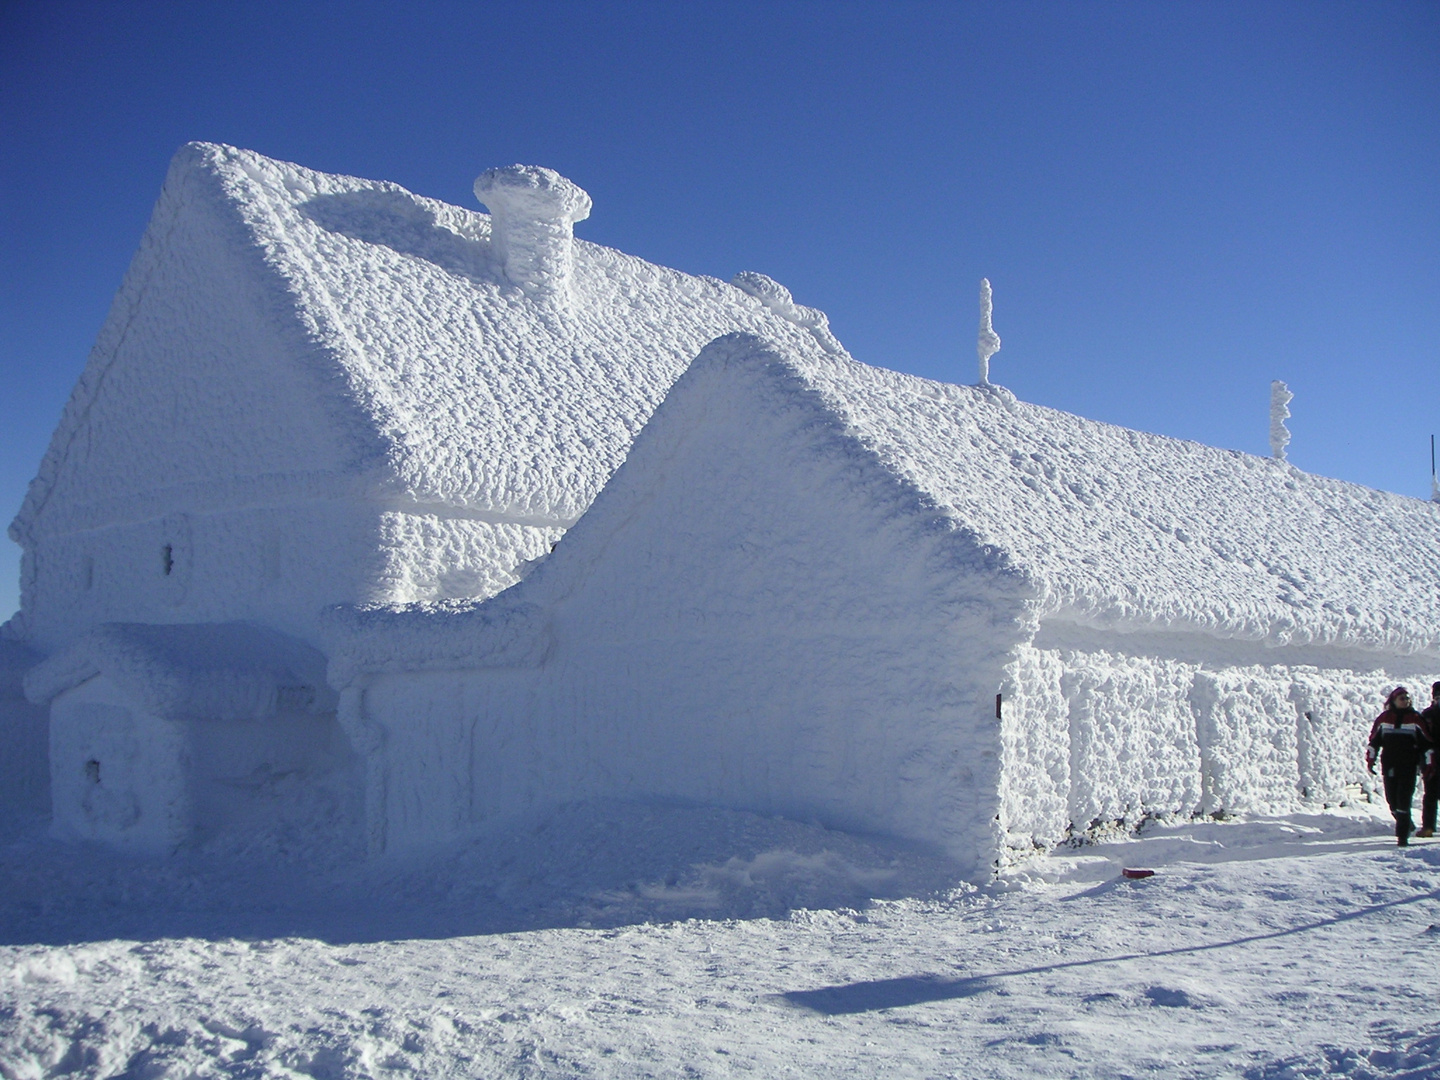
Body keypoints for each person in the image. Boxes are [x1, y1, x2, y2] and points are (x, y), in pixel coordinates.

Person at [1367, 686, 1430, 846]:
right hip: (1389, 764)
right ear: (1394, 701)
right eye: (1402, 698)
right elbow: (1374, 740)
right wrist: (1370, 759)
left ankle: (1402, 838)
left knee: (1404, 799)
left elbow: (1426, 743)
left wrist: (1428, 764)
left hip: (1409, 765)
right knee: (1392, 801)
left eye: (1408, 698)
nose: (1406, 701)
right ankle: (1406, 824)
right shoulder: (1384, 718)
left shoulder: (1415, 718)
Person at [1418, 681, 1440, 837]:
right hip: (1431, 759)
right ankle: (1428, 826)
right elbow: (1420, 738)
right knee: (1430, 793)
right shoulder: (1427, 715)